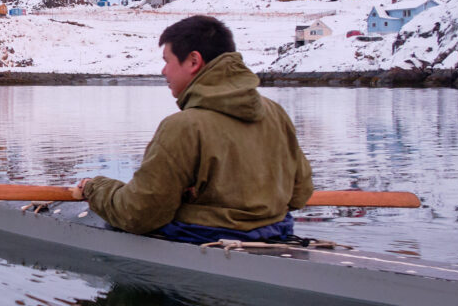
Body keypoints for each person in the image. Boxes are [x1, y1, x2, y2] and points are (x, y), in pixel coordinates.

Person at [79, 14, 312, 243]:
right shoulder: (275, 113)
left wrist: (95, 187)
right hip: (275, 232)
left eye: (167, 61)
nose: (163, 71)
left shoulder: (183, 127)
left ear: (193, 61)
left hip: (203, 239)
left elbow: (139, 215)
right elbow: (300, 195)